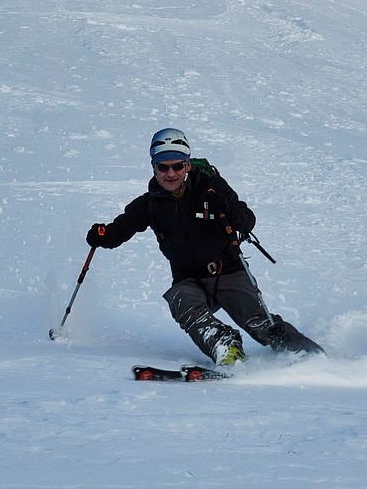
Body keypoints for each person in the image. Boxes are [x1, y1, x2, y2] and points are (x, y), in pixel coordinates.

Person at [86, 128, 323, 366]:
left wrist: (226, 207)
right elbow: (120, 230)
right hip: (188, 279)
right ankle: (225, 346)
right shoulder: (149, 204)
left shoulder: (210, 187)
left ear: (187, 165)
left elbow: (247, 221)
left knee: (260, 324)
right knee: (180, 301)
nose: (171, 173)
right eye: (163, 167)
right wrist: (102, 235)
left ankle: (311, 357)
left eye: (177, 166)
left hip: (227, 270)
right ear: (154, 167)